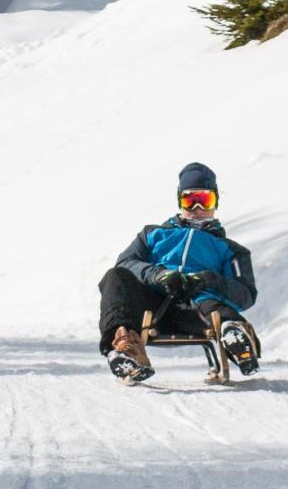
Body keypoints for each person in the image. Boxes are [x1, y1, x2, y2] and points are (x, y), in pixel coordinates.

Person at [97, 162, 258, 382]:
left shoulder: (231, 250)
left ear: (216, 201)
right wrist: (157, 275)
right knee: (114, 276)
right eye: (190, 201)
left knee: (209, 302)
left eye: (205, 200)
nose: (197, 209)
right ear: (179, 200)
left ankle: (237, 337)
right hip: (153, 309)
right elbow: (125, 263)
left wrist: (208, 280)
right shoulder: (152, 234)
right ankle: (127, 351)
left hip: (197, 312)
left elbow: (245, 293)